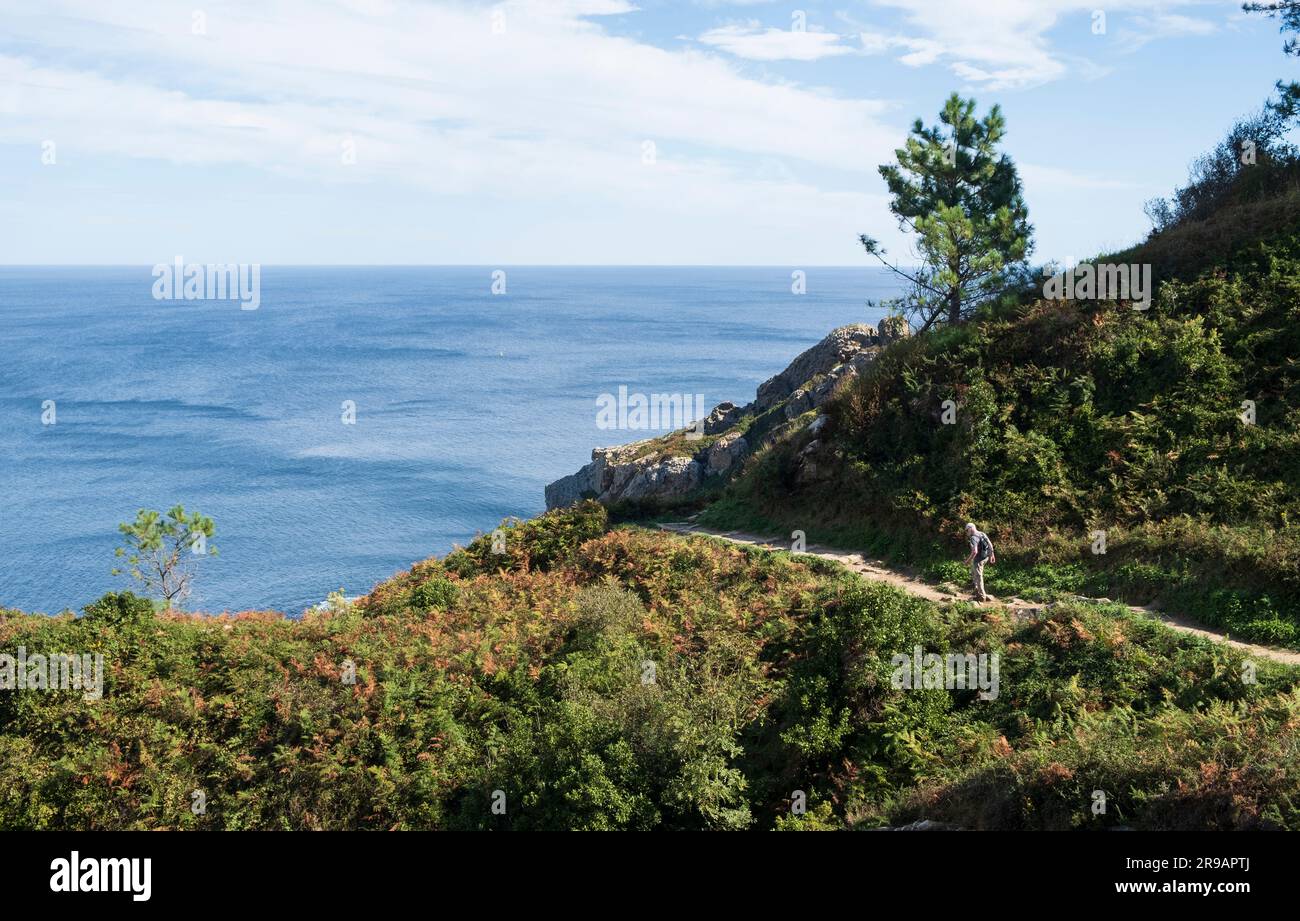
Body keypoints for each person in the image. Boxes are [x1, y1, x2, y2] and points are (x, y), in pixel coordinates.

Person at [963, 523, 996, 602]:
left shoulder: (973, 537)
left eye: (967, 530)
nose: (967, 532)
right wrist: (992, 555)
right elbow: (990, 545)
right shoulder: (982, 533)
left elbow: (974, 551)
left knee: (978, 576)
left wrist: (968, 561)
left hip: (979, 560)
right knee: (975, 573)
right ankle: (978, 592)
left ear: (970, 529)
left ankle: (981, 597)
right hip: (986, 557)